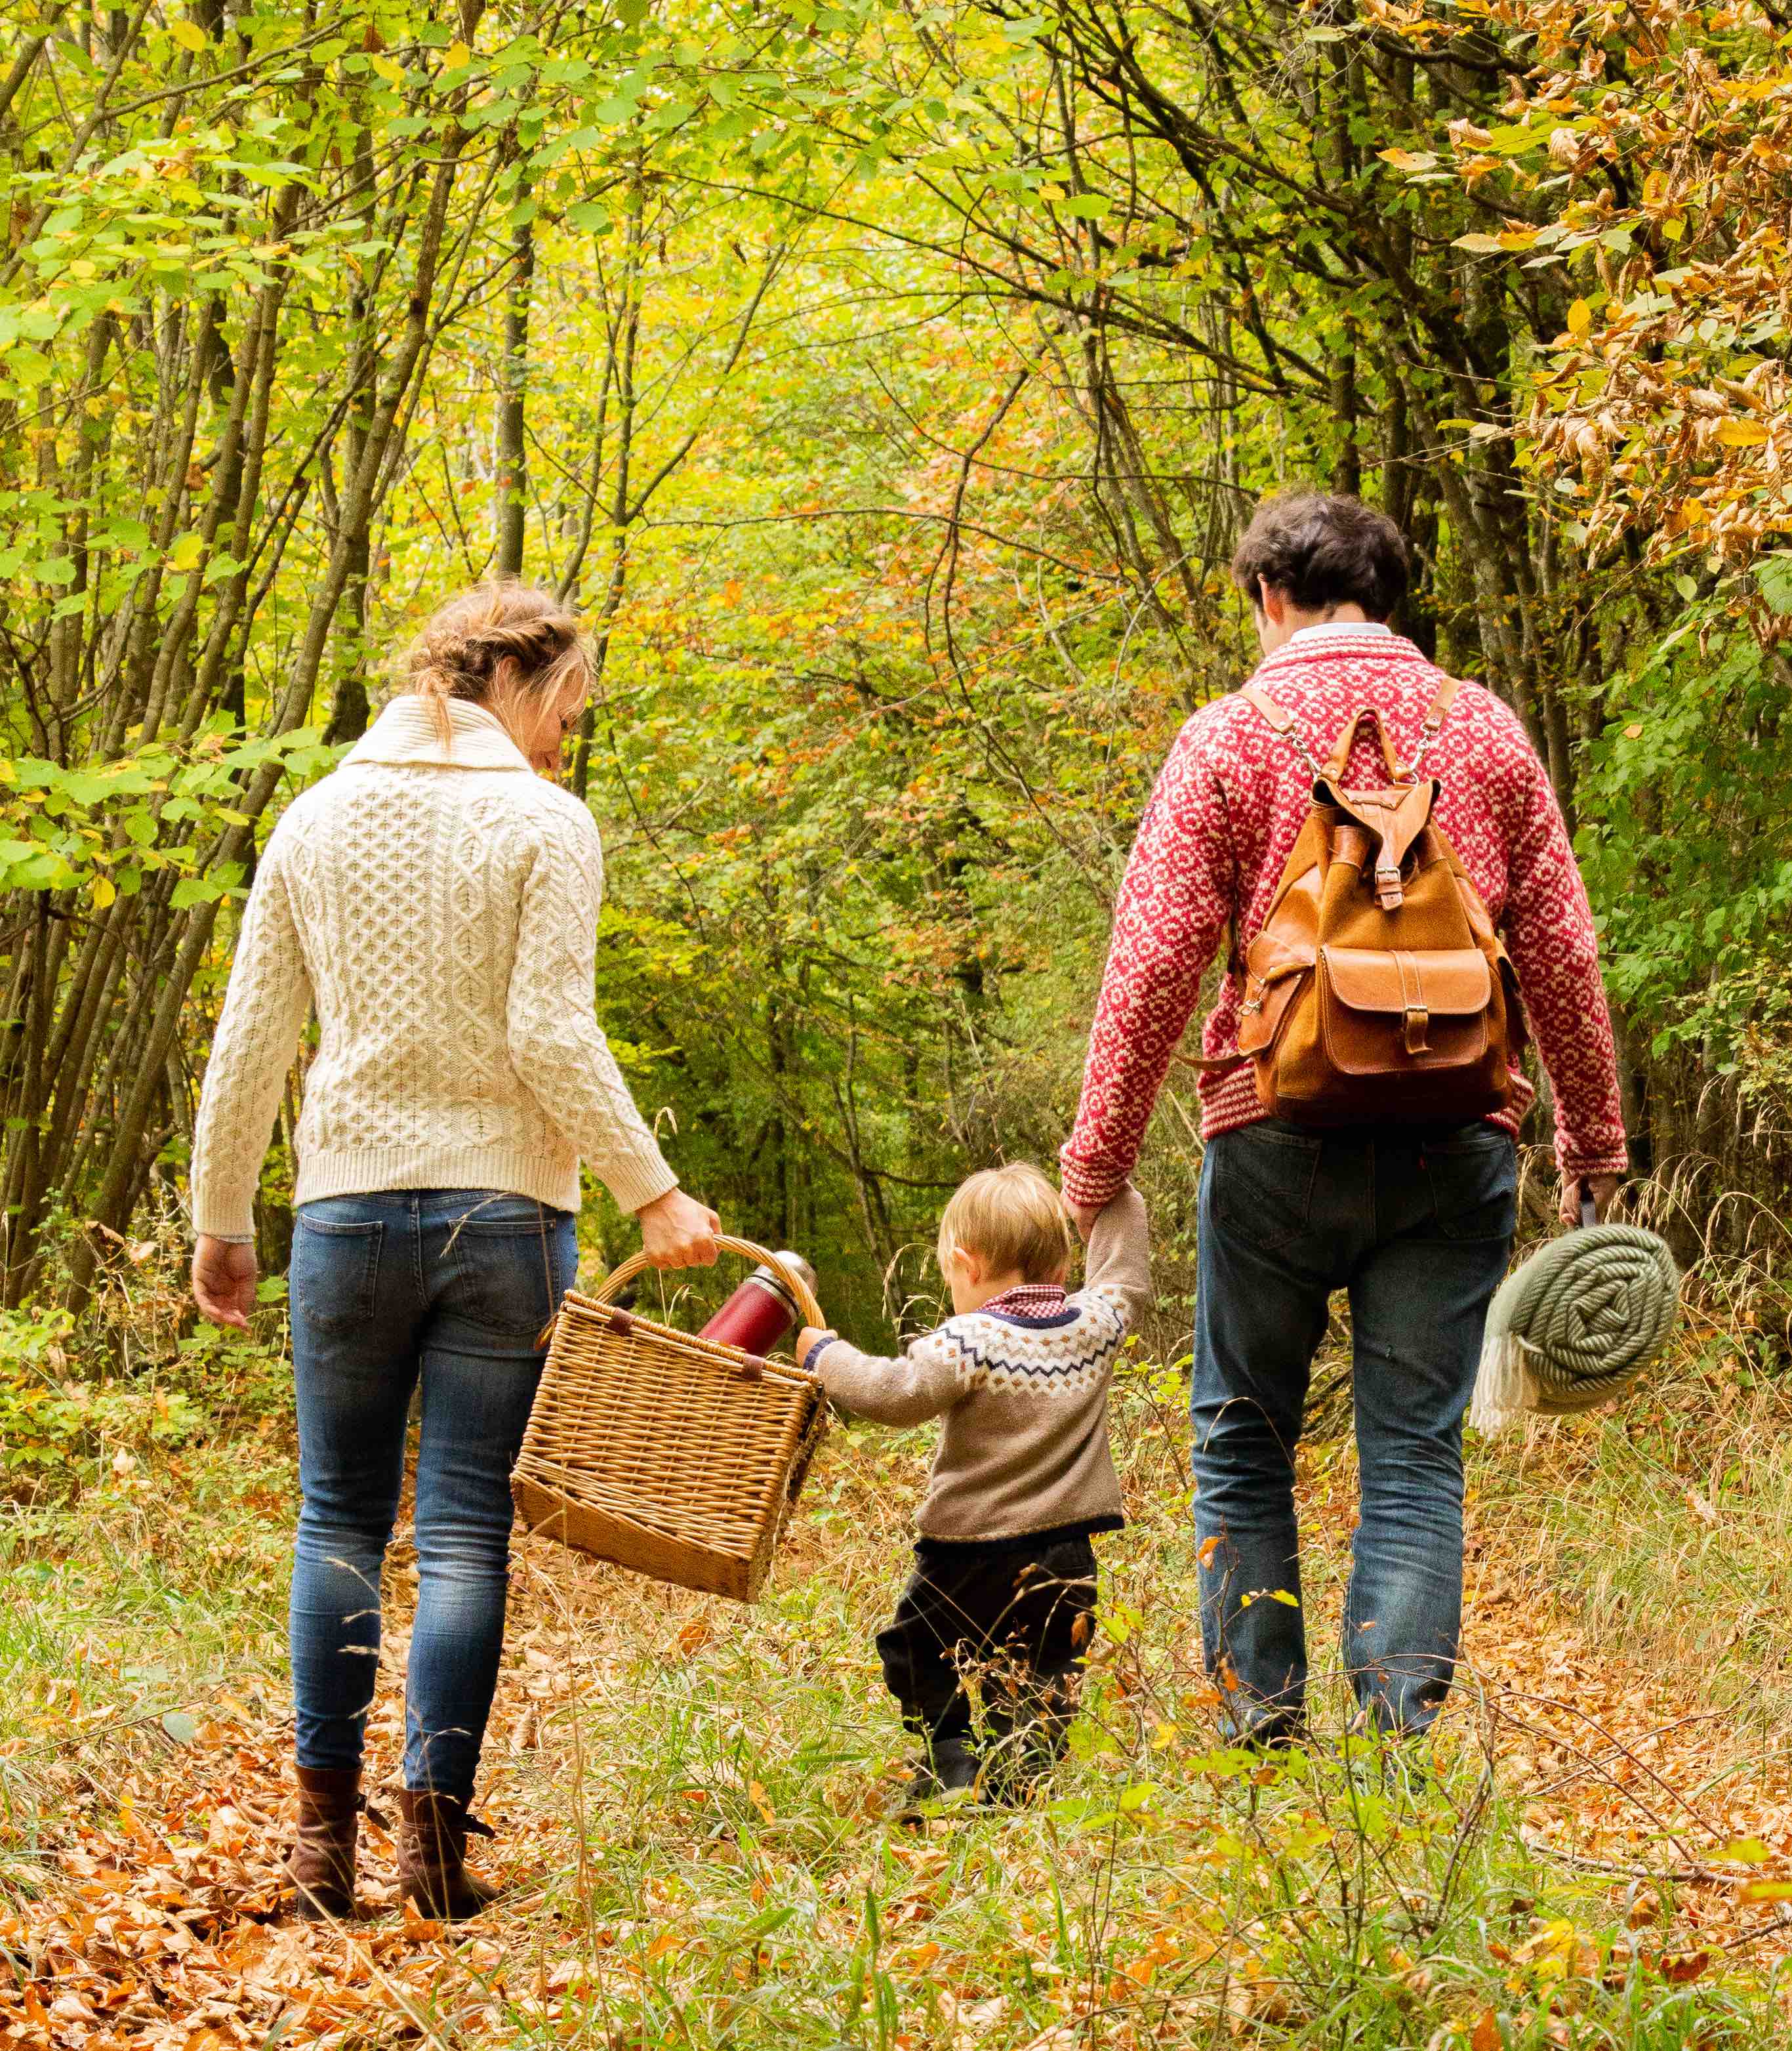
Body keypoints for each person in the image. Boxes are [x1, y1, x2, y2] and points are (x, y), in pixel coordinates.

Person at [188, 579, 720, 1922]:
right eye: (565, 713)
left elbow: (251, 1040)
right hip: (506, 1218)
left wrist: (221, 1219)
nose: (564, 741)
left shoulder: (315, 819)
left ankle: (321, 1853)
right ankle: (430, 1853)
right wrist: (652, 1191)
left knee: (339, 1518)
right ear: (517, 686)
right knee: (467, 1532)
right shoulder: (544, 823)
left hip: (348, 1213)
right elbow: (549, 1031)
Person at [1061, 488, 1629, 1744]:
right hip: (1457, 1136)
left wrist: (1095, 1167)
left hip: (1274, 1133)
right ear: (1390, 599)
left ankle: (1261, 1738)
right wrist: (1593, 1144)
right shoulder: (1486, 733)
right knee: (1414, 1449)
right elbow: (1563, 952)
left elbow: (1151, 966)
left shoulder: (1227, 737)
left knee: (1242, 1438)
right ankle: (1392, 1757)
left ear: (1270, 597)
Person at [795, 1164, 1149, 1810]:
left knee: (917, 1649)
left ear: (968, 1263)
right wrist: (1106, 1183)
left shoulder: (970, 1339)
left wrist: (826, 1357)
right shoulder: (1094, 1326)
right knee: (1046, 1667)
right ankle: (1022, 1779)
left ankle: (950, 1759)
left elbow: (896, 1394)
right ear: (1063, 1263)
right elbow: (1125, 1273)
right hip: (1067, 1552)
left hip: (967, 1553)